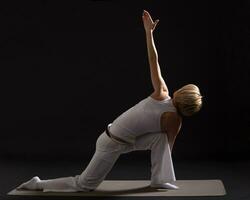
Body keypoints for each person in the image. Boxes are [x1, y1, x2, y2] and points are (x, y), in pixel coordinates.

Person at [17, 10, 203, 192]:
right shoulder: (175, 120)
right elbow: (169, 149)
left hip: (127, 139)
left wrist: (149, 33)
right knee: (83, 185)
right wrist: (148, 32)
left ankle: (158, 181)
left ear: (180, 92)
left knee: (159, 139)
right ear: (189, 111)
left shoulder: (162, 93)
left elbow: (154, 60)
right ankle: (38, 184)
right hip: (111, 142)